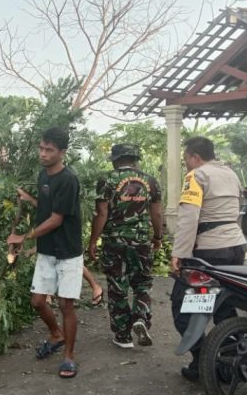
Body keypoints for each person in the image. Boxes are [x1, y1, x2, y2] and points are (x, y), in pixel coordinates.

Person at [7, 127, 83, 379]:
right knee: (38, 301)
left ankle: (69, 357)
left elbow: (56, 219)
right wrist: (30, 200)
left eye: (49, 150)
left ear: (62, 152)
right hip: (47, 250)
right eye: (41, 148)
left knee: (65, 304)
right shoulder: (44, 176)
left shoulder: (68, 180)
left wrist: (23, 237)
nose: (43, 153)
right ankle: (56, 334)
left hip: (68, 252)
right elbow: (49, 208)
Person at [170, 136, 247, 381]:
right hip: (236, 247)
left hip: (210, 253)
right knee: (224, 306)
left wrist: (179, 254)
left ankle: (205, 363)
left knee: (183, 308)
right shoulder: (231, 174)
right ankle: (232, 365)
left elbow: (189, 217)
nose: (187, 166)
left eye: (186, 160)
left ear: (195, 157)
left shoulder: (197, 175)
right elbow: (238, 210)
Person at [87, 144, 163, 349]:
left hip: (114, 242)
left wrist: (93, 241)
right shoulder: (150, 181)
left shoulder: (107, 180)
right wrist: (157, 237)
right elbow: (156, 213)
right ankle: (140, 318)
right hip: (141, 242)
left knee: (117, 287)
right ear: (135, 159)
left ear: (115, 160)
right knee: (142, 284)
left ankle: (123, 336)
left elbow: (101, 213)